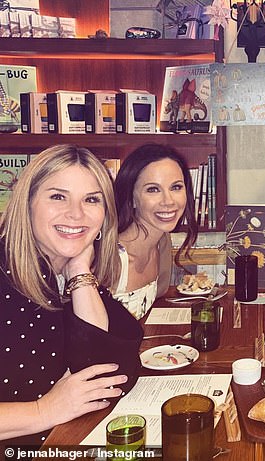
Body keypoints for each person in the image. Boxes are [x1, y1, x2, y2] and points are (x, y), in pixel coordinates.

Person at [0, 145, 142, 446]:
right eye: (57, 196)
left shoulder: (65, 269)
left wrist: (79, 270)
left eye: (91, 200)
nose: (76, 214)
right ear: (27, 205)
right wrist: (43, 411)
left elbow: (106, 369)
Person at [113, 144, 198, 319]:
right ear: (132, 198)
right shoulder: (110, 258)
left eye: (176, 187)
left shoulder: (162, 241)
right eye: (153, 189)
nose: (168, 201)